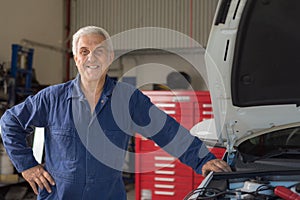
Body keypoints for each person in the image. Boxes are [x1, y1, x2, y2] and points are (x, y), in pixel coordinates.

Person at [0, 26, 231, 199]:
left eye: (99, 51)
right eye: (84, 51)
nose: (91, 58)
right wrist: (27, 165)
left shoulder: (128, 100)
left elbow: (166, 130)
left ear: (110, 57)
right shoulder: (52, 98)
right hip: (59, 195)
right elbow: (9, 121)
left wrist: (203, 159)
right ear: (76, 59)